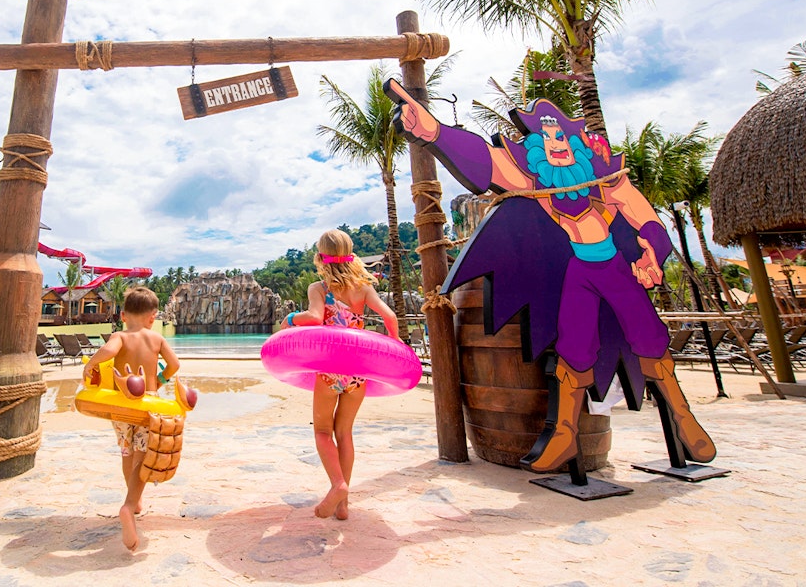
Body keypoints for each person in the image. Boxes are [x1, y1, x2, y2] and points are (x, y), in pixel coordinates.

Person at [383, 77, 714, 470]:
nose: (555, 141)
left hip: (613, 266)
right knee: (572, 349)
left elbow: (640, 212)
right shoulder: (534, 180)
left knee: (648, 337)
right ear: (537, 144)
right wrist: (434, 132)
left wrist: (653, 251)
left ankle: (682, 417)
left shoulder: (601, 173)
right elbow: (484, 160)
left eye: (560, 134)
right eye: (546, 135)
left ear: (574, 141)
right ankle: (564, 436)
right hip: (578, 268)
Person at [283, 229, 398, 520]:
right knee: (344, 433)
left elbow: (313, 318)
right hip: (357, 372)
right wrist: (395, 349)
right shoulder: (363, 287)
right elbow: (390, 317)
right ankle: (343, 506)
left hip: (329, 370)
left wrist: (289, 319)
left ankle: (338, 485)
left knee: (323, 432)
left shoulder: (319, 288)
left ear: (320, 257)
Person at [81, 286, 179, 551]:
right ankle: (129, 503)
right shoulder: (156, 339)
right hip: (147, 406)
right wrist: (158, 382)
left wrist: (90, 364)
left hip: (123, 407)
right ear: (152, 317)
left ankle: (133, 502)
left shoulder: (120, 336)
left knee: (127, 453)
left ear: (123, 315)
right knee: (143, 455)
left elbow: (108, 352)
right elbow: (174, 365)